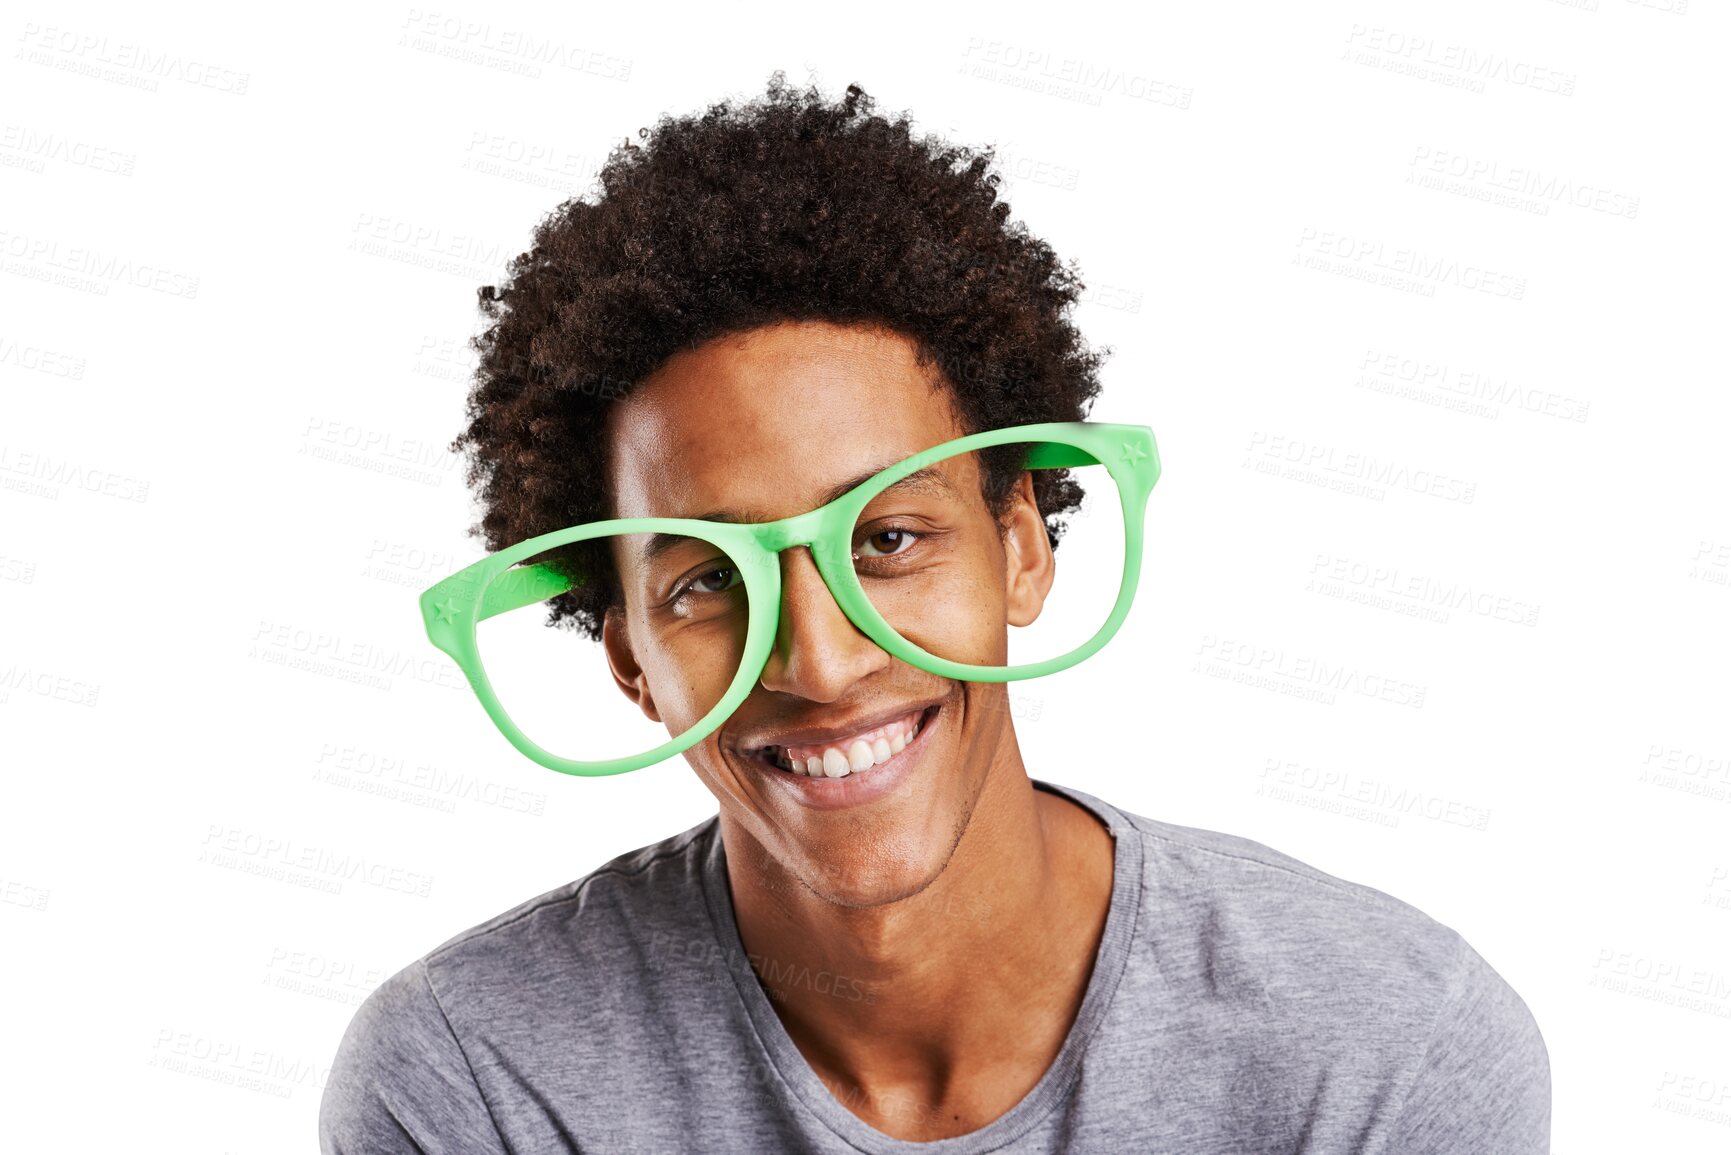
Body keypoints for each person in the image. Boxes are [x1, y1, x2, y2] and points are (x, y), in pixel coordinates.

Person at [319, 73, 1550, 1154]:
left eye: (890, 540)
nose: (820, 658)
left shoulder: (1383, 1050)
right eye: (705, 583)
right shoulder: (477, 1084)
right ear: (631, 659)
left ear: (1020, 548)